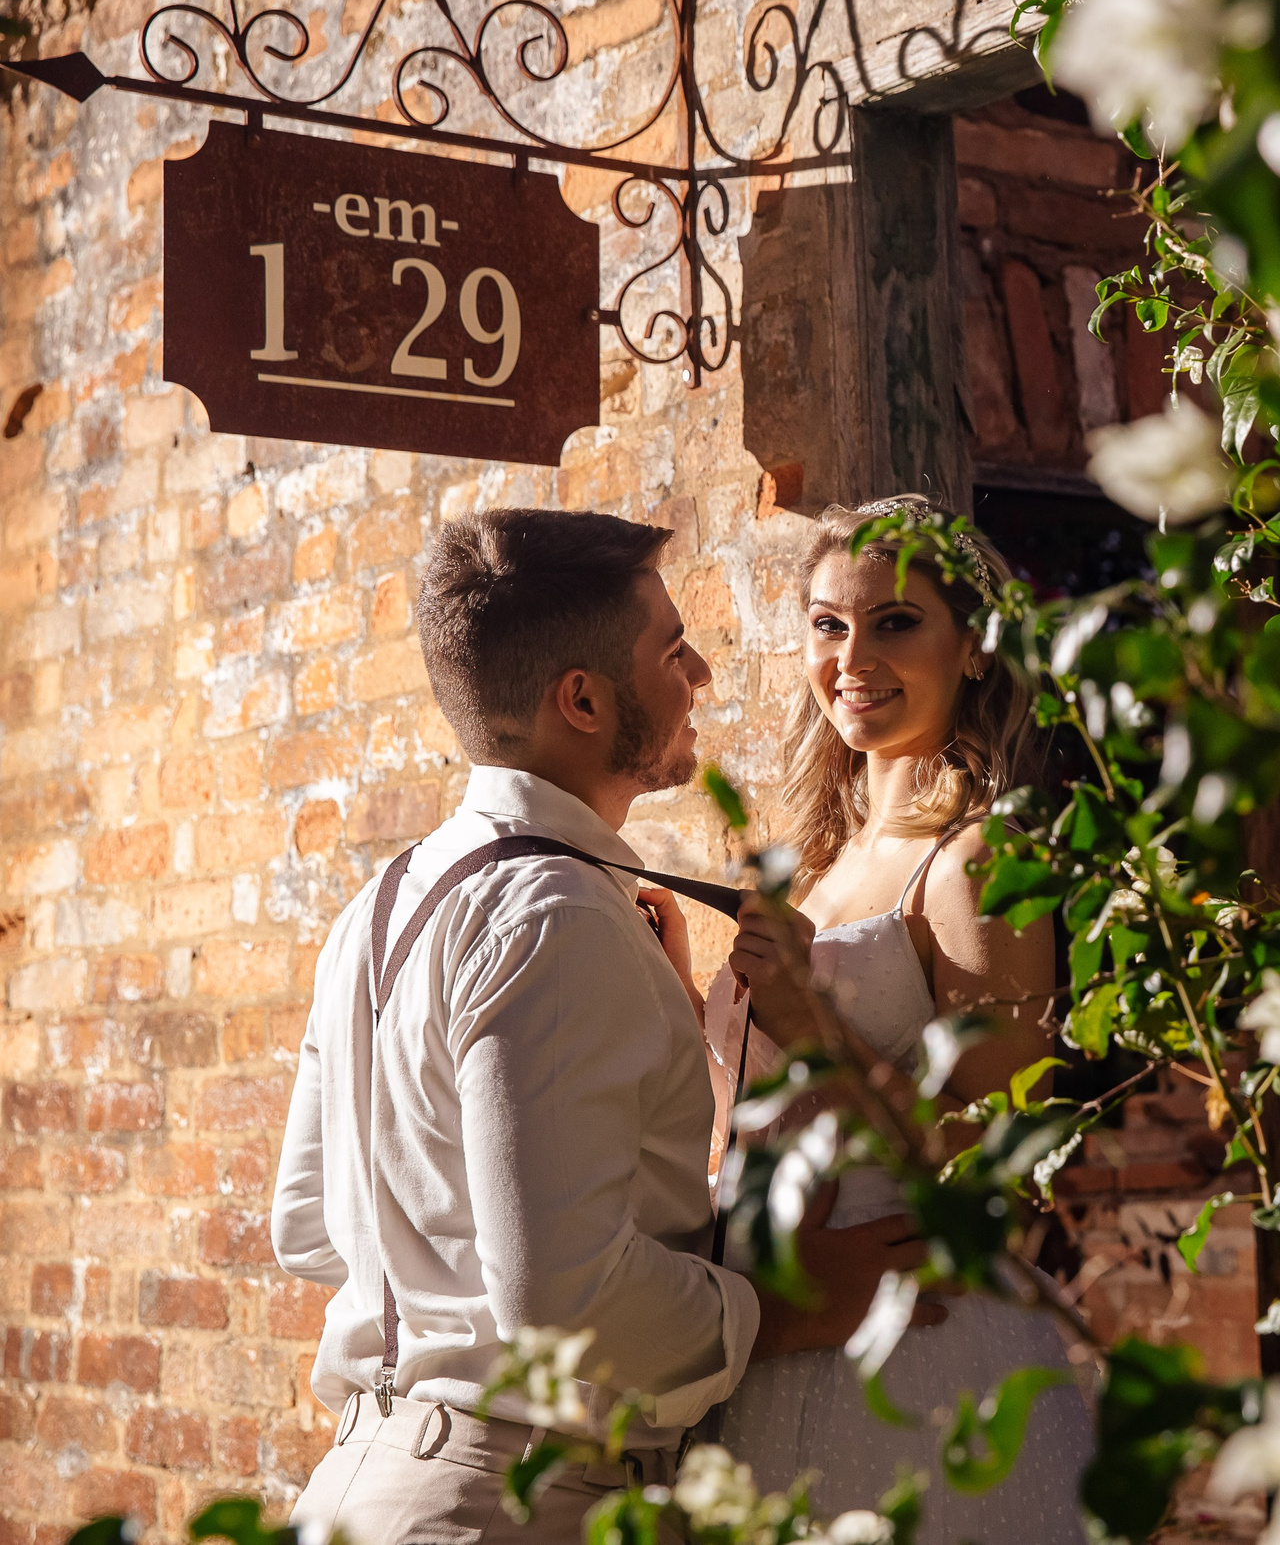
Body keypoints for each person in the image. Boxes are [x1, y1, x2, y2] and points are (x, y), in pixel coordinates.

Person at [272, 509, 933, 1544]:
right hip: (515, 1503)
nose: (703, 673)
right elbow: (561, 1297)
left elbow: (309, 1222)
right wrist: (785, 1308)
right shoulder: (556, 916)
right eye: (673, 651)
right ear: (581, 700)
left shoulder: (385, 900)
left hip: (358, 1484)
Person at [712, 496, 1095, 1543]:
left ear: (972, 648)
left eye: (894, 624)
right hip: (780, 1323)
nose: (851, 657)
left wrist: (809, 1023)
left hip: (919, 1346)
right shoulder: (819, 862)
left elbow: (996, 1177)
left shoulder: (978, 856)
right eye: (829, 625)